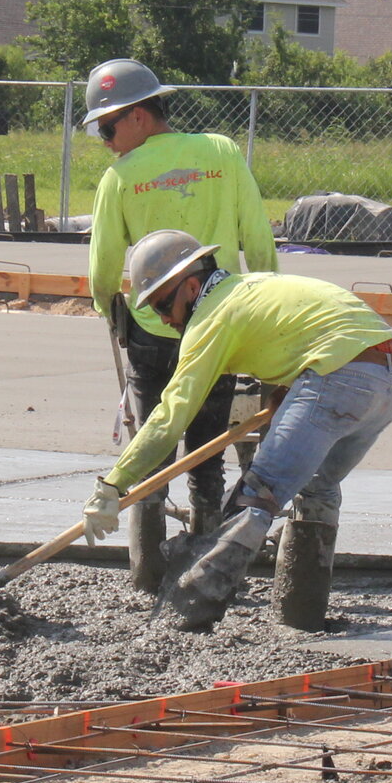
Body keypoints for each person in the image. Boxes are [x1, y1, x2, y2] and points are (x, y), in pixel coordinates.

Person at [82, 229, 392, 632]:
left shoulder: (213, 317)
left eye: (164, 305)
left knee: (258, 496)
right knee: (318, 488)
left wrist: (113, 485)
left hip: (339, 377)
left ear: (190, 285)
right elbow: (303, 331)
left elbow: (171, 416)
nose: (166, 320)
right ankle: (300, 615)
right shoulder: (253, 287)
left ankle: (183, 615)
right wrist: (288, 392)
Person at [81, 57, 280, 593]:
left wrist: (112, 313)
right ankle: (209, 563)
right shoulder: (221, 152)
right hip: (220, 321)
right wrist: (262, 303)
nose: (104, 141)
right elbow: (257, 239)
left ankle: (147, 576)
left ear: (139, 117)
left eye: (106, 128)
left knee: (150, 439)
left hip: (152, 330)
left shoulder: (119, 178)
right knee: (207, 445)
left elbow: (102, 270)